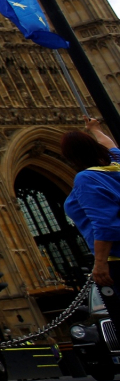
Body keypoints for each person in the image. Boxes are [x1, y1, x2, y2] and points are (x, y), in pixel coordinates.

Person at [59, 118, 120, 290]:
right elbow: (110, 145)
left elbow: (105, 224)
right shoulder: (117, 165)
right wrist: (95, 129)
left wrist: (100, 263)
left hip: (115, 258)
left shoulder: (87, 178)